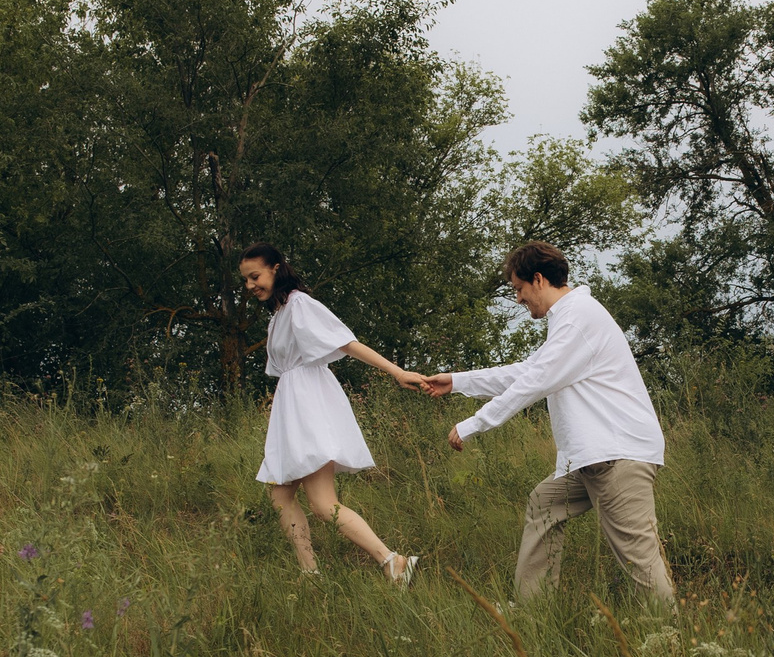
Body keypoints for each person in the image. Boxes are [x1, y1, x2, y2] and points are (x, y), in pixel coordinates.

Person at [421, 240, 674, 603]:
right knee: (544, 503)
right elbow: (528, 371)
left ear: (538, 279)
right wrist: (457, 381)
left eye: (519, 289)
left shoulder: (578, 317)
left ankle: (670, 633)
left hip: (618, 457)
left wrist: (473, 424)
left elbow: (535, 382)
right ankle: (531, 610)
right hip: (594, 457)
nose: (518, 299)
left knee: (638, 560)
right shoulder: (569, 319)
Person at [239, 243, 421, 585]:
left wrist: (396, 371)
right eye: (246, 280)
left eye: (255, 276)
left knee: (323, 504)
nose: (250, 285)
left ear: (276, 268)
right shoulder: (279, 315)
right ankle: (310, 575)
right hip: (292, 409)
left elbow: (345, 343)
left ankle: (393, 562)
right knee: (280, 496)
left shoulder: (299, 305)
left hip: (308, 408)